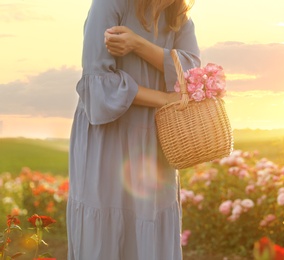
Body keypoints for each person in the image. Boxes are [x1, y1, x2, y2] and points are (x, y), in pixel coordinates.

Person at [66, 0, 200, 258]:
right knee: (104, 224)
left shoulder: (179, 17)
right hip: (108, 135)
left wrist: (139, 45)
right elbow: (97, 84)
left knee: (151, 220)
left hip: (155, 137)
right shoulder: (109, 4)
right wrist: (163, 98)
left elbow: (193, 76)